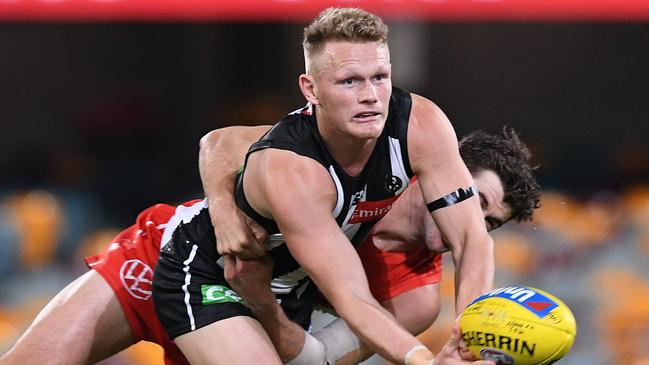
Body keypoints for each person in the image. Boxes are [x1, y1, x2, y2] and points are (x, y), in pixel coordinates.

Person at [0, 127, 539, 365]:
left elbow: (318, 360)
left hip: (243, 321)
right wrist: (227, 212)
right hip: (162, 259)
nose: (473, 224)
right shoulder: (357, 155)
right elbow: (222, 143)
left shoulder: (416, 299)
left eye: (491, 222)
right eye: (477, 202)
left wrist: (261, 301)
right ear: (445, 176)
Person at [153, 7, 496, 365]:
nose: (371, 96)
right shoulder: (293, 167)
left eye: (380, 77)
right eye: (350, 81)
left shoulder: (420, 124)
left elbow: (472, 238)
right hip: (211, 272)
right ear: (310, 89)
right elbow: (352, 296)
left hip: (287, 290)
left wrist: (470, 339)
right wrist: (426, 362)